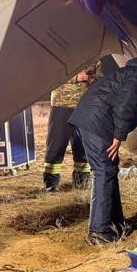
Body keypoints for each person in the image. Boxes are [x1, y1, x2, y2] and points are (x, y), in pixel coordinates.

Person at [68, 54, 137, 244]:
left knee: (110, 169)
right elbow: (125, 104)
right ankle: (98, 230)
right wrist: (118, 136)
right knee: (103, 171)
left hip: (99, 120)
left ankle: (116, 222)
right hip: (96, 122)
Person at [43, 62, 101, 192]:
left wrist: (95, 79)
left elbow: (100, 76)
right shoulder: (64, 54)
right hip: (61, 104)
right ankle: (51, 185)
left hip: (84, 106)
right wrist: (77, 78)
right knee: (56, 145)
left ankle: (82, 183)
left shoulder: (95, 56)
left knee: (82, 148)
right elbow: (51, 75)